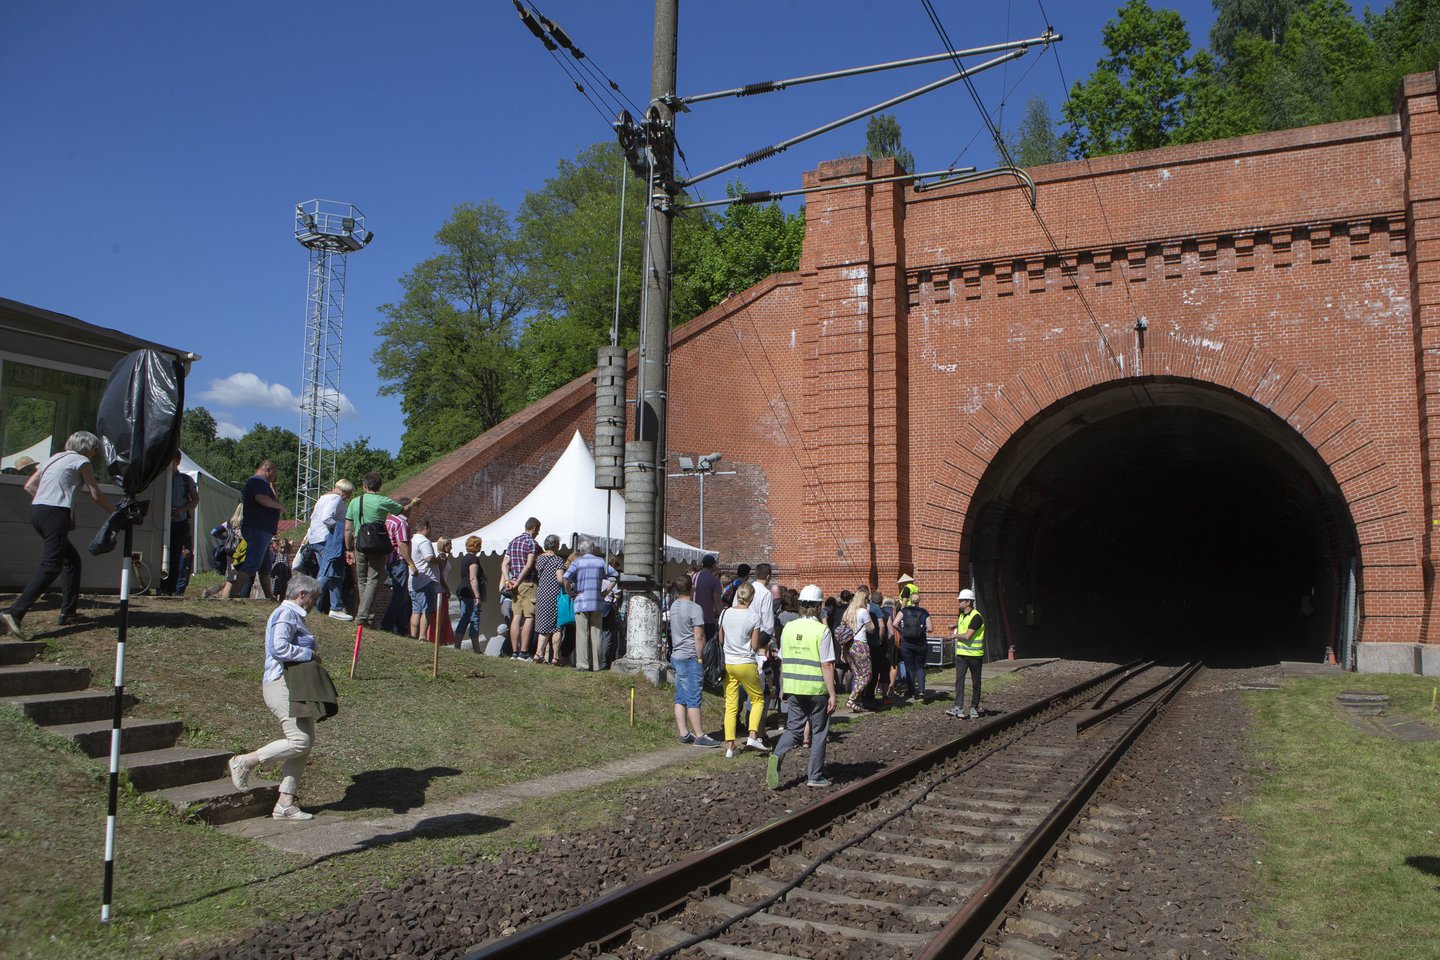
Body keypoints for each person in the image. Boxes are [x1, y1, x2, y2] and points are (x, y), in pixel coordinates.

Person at [227, 573, 333, 821]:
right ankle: (244, 762)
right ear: (302, 595)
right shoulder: (285, 614)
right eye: (313, 598)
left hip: (293, 686)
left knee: (304, 743)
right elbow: (279, 647)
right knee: (299, 741)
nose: (315, 603)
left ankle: (285, 802)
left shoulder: (293, 616)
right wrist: (309, 653)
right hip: (280, 684)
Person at [1, 431, 115, 638]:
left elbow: (30, 486)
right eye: (94, 448)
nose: (96, 452)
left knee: (71, 561)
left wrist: (52, 503)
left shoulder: (53, 459)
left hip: (37, 512)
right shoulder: (82, 461)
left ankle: (69, 613)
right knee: (52, 565)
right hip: (55, 514)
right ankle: (14, 613)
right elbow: (96, 493)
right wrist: (116, 513)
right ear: (87, 447)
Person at [766, 584, 838, 790]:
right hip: (817, 690)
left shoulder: (789, 628)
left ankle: (777, 755)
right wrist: (832, 693)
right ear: (818, 606)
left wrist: (783, 687)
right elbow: (826, 664)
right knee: (819, 732)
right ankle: (814, 775)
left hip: (794, 687)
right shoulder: (821, 630)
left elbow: (783, 659)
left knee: (794, 730)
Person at [344, 472, 417, 629]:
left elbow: (348, 528)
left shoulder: (355, 502)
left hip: (359, 543)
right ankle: (363, 616)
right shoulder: (383, 501)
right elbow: (403, 511)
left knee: (362, 579)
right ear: (379, 486)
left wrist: (348, 547)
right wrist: (413, 504)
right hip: (378, 543)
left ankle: (367, 616)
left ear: (364, 486)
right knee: (374, 579)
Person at [668, 575, 721, 747]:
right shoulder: (695, 608)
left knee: (680, 696)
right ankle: (699, 735)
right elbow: (698, 635)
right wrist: (700, 657)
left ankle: (684, 733)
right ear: (693, 588)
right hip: (690, 656)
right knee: (693, 697)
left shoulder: (673, 606)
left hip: (676, 655)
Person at [720, 582, 769, 758]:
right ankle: (753, 736)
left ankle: (730, 746)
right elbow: (755, 645)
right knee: (757, 699)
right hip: (746, 663)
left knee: (731, 706)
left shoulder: (725, 613)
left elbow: (720, 638)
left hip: (728, 663)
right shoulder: (753, 617)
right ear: (751, 597)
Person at [222, 460, 283, 600]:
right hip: (258, 528)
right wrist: (279, 506)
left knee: (265, 566)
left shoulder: (263, 483)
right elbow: (261, 498)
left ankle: (269, 596)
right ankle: (234, 593)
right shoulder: (258, 481)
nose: (275, 477)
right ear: (269, 470)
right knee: (252, 564)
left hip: (262, 529)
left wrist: (273, 489)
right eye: (274, 474)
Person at [562, 539, 618, 671]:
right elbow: (614, 576)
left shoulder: (577, 562)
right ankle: (596, 665)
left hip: (581, 601)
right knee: (596, 634)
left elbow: (565, 578)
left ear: (581, 550)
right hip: (597, 601)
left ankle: (583, 664)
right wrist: (605, 592)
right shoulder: (600, 562)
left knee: (582, 633)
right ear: (592, 548)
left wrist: (570, 593)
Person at [302, 479, 354, 619]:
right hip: (328, 540)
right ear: (343, 491)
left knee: (335, 573)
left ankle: (335, 606)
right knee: (327, 572)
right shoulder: (336, 499)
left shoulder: (323, 498)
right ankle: (307, 602)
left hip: (317, 539)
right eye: (347, 494)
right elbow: (327, 518)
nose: (347, 498)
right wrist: (341, 529)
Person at [502, 518, 541, 661]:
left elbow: (505, 563)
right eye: (538, 530)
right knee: (529, 616)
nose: (538, 533)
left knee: (516, 616)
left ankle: (514, 652)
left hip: (513, 584)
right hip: (528, 582)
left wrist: (508, 580)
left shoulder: (513, 541)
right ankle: (524, 653)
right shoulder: (531, 542)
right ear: (534, 528)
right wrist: (518, 581)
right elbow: (529, 564)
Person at [160, 452, 199, 596]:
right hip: (162, 522)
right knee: (161, 554)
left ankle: (171, 589)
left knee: (176, 555)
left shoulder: (186, 480)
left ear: (177, 461)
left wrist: (182, 510)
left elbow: (195, 500)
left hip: (179, 522)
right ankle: (160, 586)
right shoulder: (161, 478)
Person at [947, 588, 987, 719]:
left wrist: (955, 635)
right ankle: (958, 707)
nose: (958, 603)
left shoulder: (976, 617)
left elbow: (969, 635)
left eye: (961, 601)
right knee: (959, 681)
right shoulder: (963, 615)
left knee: (976, 682)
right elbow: (964, 625)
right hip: (962, 655)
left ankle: (974, 708)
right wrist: (955, 625)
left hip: (974, 656)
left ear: (968, 602)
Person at [379, 497, 413, 634]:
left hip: (388, 560)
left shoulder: (388, 520)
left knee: (402, 595)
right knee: (399, 595)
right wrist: (411, 563)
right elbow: (402, 544)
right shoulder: (401, 523)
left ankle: (400, 627)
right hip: (398, 560)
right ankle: (387, 624)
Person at [892, 592, 934, 703]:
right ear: (919, 601)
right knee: (919, 666)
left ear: (910, 600)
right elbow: (930, 628)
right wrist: (922, 630)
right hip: (920, 643)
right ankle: (921, 690)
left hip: (906, 643)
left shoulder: (904, 611)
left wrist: (903, 632)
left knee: (909, 667)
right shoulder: (924, 612)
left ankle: (910, 691)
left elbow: (895, 623)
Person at [531, 535, 565, 665]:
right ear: (556, 545)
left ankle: (538, 654)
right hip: (554, 595)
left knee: (542, 626)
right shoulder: (557, 560)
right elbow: (560, 579)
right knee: (556, 626)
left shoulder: (538, 559)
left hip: (541, 594)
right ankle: (555, 657)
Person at [407, 517, 439, 642]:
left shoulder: (411, 541)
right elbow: (429, 558)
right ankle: (422, 636)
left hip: (413, 580)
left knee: (415, 610)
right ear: (426, 528)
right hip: (425, 579)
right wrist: (439, 561)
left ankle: (413, 635)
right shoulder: (424, 541)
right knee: (427, 610)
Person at [843, 588, 874, 712]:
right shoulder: (862, 611)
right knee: (867, 674)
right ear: (864, 599)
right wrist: (869, 613)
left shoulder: (848, 611)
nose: (868, 600)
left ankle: (857, 703)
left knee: (857, 675)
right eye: (867, 599)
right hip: (860, 645)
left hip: (849, 645)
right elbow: (871, 628)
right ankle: (852, 699)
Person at [455, 536, 485, 651]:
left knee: (465, 617)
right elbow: (473, 578)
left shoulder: (465, 558)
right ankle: (476, 648)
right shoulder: (473, 559)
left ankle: (457, 645)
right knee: (474, 619)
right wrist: (477, 596)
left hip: (463, 590)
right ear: (476, 546)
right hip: (470, 593)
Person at [694, 554, 723, 651]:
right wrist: (722, 617)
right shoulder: (714, 581)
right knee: (708, 649)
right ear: (713, 565)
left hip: (693, 618)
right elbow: (717, 602)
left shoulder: (693, 577)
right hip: (707, 619)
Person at [749, 562, 775, 644]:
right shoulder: (766, 593)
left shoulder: (744, 589)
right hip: (758, 636)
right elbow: (768, 623)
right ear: (768, 577)